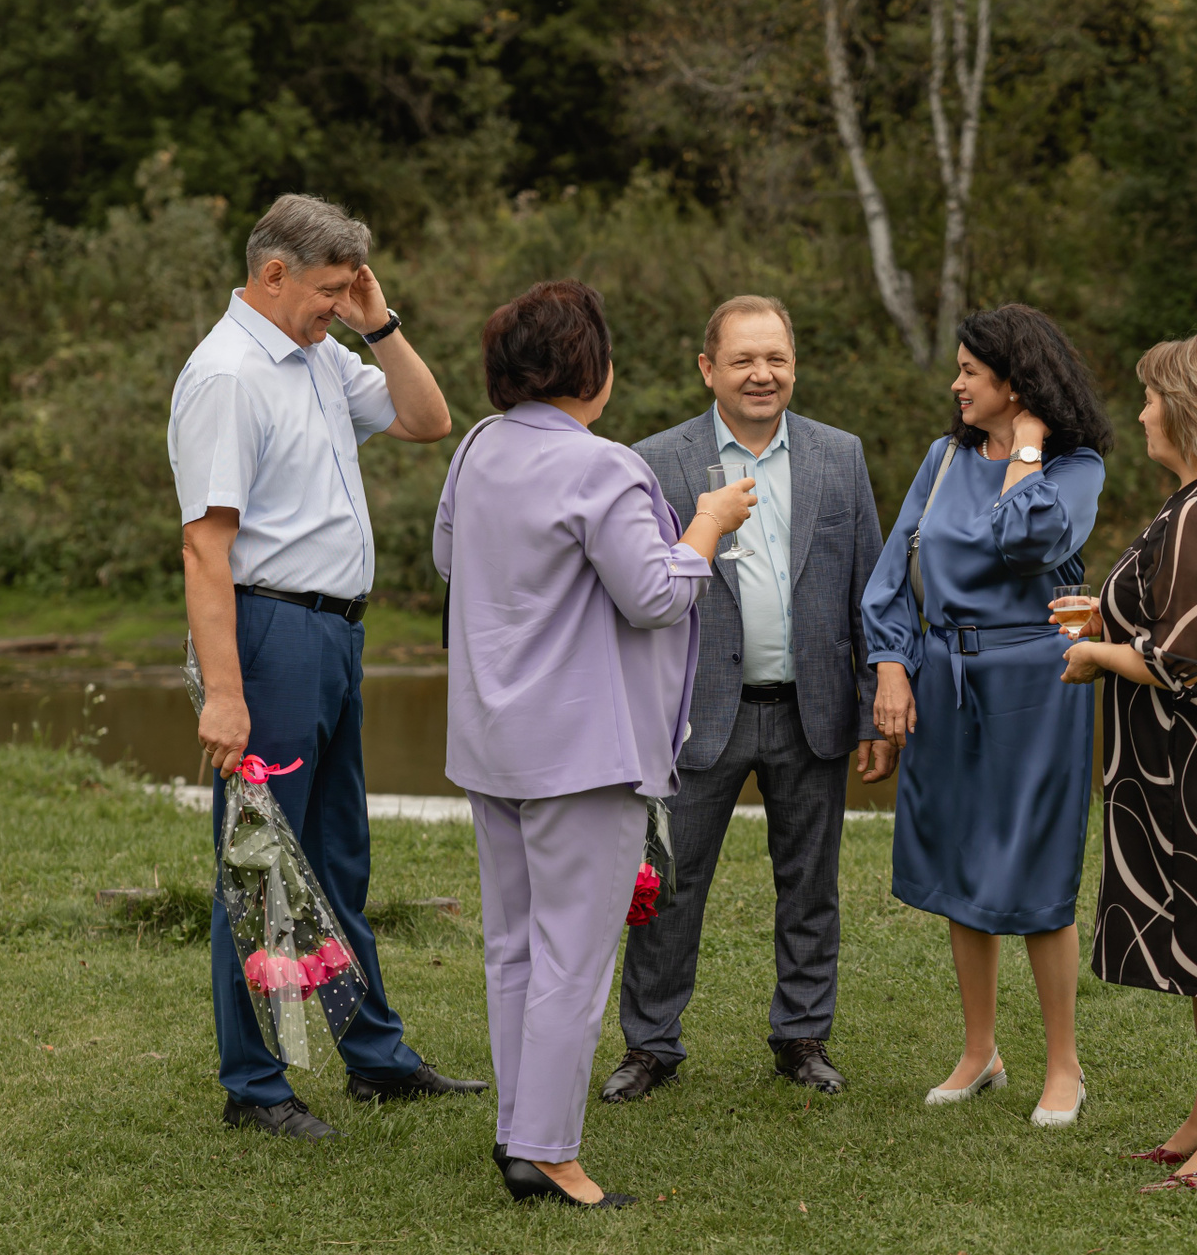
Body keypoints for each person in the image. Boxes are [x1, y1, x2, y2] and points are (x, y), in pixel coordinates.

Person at [170, 194, 485, 1139]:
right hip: (271, 637)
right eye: (328, 290)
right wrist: (226, 694)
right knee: (262, 861)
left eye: (349, 289)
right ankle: (255, 1087)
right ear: (274, 275)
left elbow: (428, 418)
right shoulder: (226, 375)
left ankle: (374, 1058)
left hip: (337, 636)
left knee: (339, 857)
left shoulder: (318, 354)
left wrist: (376, 323)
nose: (335, 306)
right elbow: (204, 548)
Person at [435, 280, 755, 1207]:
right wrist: (708, 524)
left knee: (514, 949)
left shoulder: (477, 448)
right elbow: (653, 594)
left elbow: (450, 561)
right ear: (593, 369)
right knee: (571, 960)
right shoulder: (602, 467)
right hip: (582, 750)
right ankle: (547, 1152)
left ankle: (518, 1131)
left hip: (491, 740)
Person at [604, 296, 891, 1103]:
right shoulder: (655, 460)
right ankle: (651, 1044)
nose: (762, 374)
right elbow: (636, 594)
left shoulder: (839, 456)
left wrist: (873, 700)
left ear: (794, 365)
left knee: (810, 886)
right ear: (708, 369)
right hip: (696, 714)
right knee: (670, 885)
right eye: (743, 360)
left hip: (812, 709)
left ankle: (803, 1036)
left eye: (776, 359)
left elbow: (869, 591)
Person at [861, 303, 1111, 1121]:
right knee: (958, 862)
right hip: (945, 677)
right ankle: (980, 1052)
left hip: (1037, 684)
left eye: (971, 371)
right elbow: (893, 574)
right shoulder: (943, 459)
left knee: (1036, 865)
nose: (957, 384)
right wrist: (892, 665)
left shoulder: (1075, 467)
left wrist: (1028, 447)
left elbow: (1027, 541)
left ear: (1017, 381)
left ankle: (1064, 1066)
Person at [1059, 334, 1197, 1191]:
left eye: (1154, 397)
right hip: (1189, 759)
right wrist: (1109, 620)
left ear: (1188, 410)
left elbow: (1181, 662)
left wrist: (1096, 655)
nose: (1142, 411)